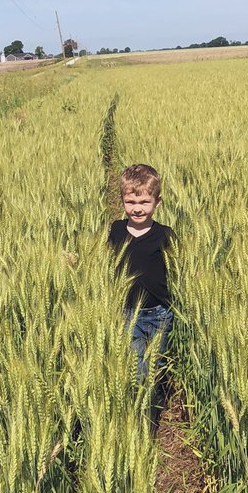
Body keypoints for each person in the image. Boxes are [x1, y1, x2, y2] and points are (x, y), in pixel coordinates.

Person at [108, 164, 174, 415]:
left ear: (157, 202)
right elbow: (103, 260)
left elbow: (181, 266)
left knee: (156, 365)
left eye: (145, 202)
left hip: (160, 312)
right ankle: (140, 413)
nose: (137, 208)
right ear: (122, 201)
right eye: (131, 202)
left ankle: (152, 407)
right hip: (128, 313)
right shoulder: (116, 230)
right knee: (138, 368)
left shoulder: (165, 235)